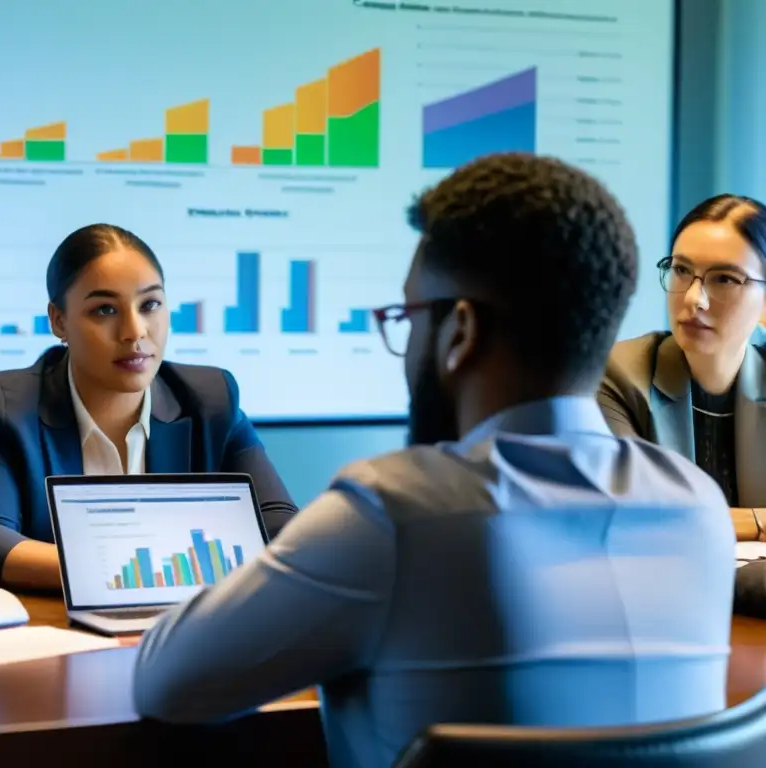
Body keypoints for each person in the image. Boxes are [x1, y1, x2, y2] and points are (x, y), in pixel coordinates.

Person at [131, 154, 736, 768]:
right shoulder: (699, 508)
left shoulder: (394, 514)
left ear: (459, 331)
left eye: (410, 316)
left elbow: (164, 683)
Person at [0, 223, 297, 590]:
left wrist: (141, 571)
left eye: (150, 305)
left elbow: (280, 525)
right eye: (104, 310)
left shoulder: (210, 399)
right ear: (59, 320)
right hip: (57, 634)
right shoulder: (3, 404)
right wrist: (130, 571)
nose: (134, 331)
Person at [599, 195, 766, 539]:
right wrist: (760, 521)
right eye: (681, 270)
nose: (693, 299)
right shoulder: (615, 375)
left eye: (724, 279)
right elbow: (636, 515)